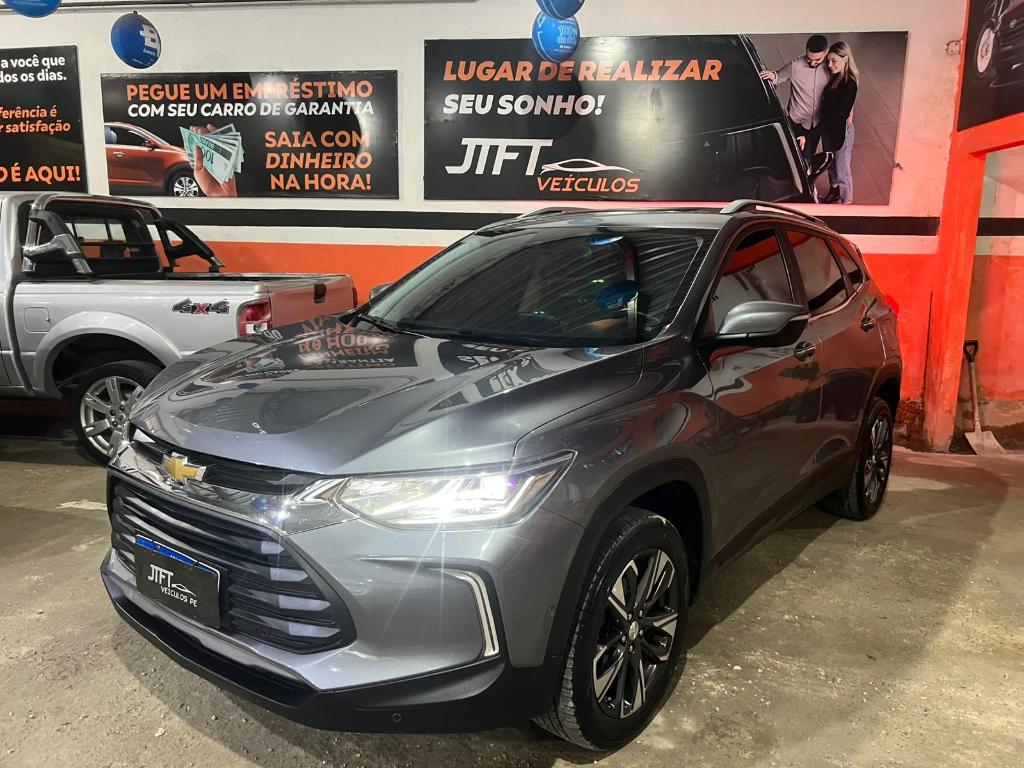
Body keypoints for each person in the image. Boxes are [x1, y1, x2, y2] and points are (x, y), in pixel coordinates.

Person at [760, 34, 830, 164]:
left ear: (826, 53)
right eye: (809, 59)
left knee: (810, 151)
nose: (812, 63)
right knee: (799, 157)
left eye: (817, 60)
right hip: (797, 122)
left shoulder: (830, 66)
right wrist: (772, 75)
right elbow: (778, 76)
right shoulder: (795, 66)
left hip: (817, 123)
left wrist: (850, 109)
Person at [819, 41, 859, 204]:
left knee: (842, 170)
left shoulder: (850, 84)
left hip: (841, 131)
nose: (829, 65)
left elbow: (838, 114)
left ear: (845, 59)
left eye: (834, 60)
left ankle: (847, 203)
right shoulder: (835, 74)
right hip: (829, 128)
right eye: (828, 60)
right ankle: (834, 192)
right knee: (830, 163)